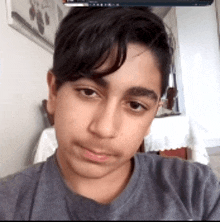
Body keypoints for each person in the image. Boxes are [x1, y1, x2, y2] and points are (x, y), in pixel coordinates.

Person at [0, 7, 220, 220]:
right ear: (54, 92)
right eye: (88, 92)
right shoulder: (9, 204)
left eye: (135, 105)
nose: (104, 129)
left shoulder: (197, 190)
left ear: (152, 116)